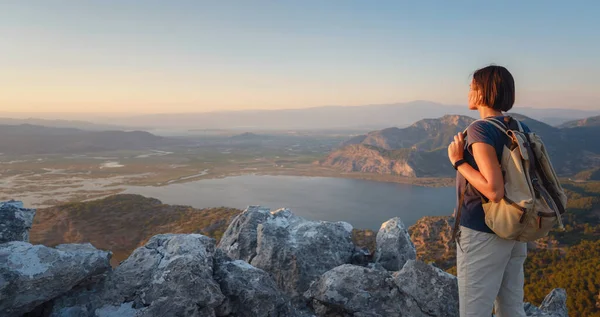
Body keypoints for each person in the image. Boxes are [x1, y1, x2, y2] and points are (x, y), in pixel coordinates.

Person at [447, 65, 529, 317]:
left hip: (483, 231)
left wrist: (458, 161)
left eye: (472, 87)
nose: (468, 92)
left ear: (483, 91)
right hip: (514, 226)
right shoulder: (517, 126)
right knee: (511, 306)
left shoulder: (480, 129)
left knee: (474, 311)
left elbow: (493, 190)